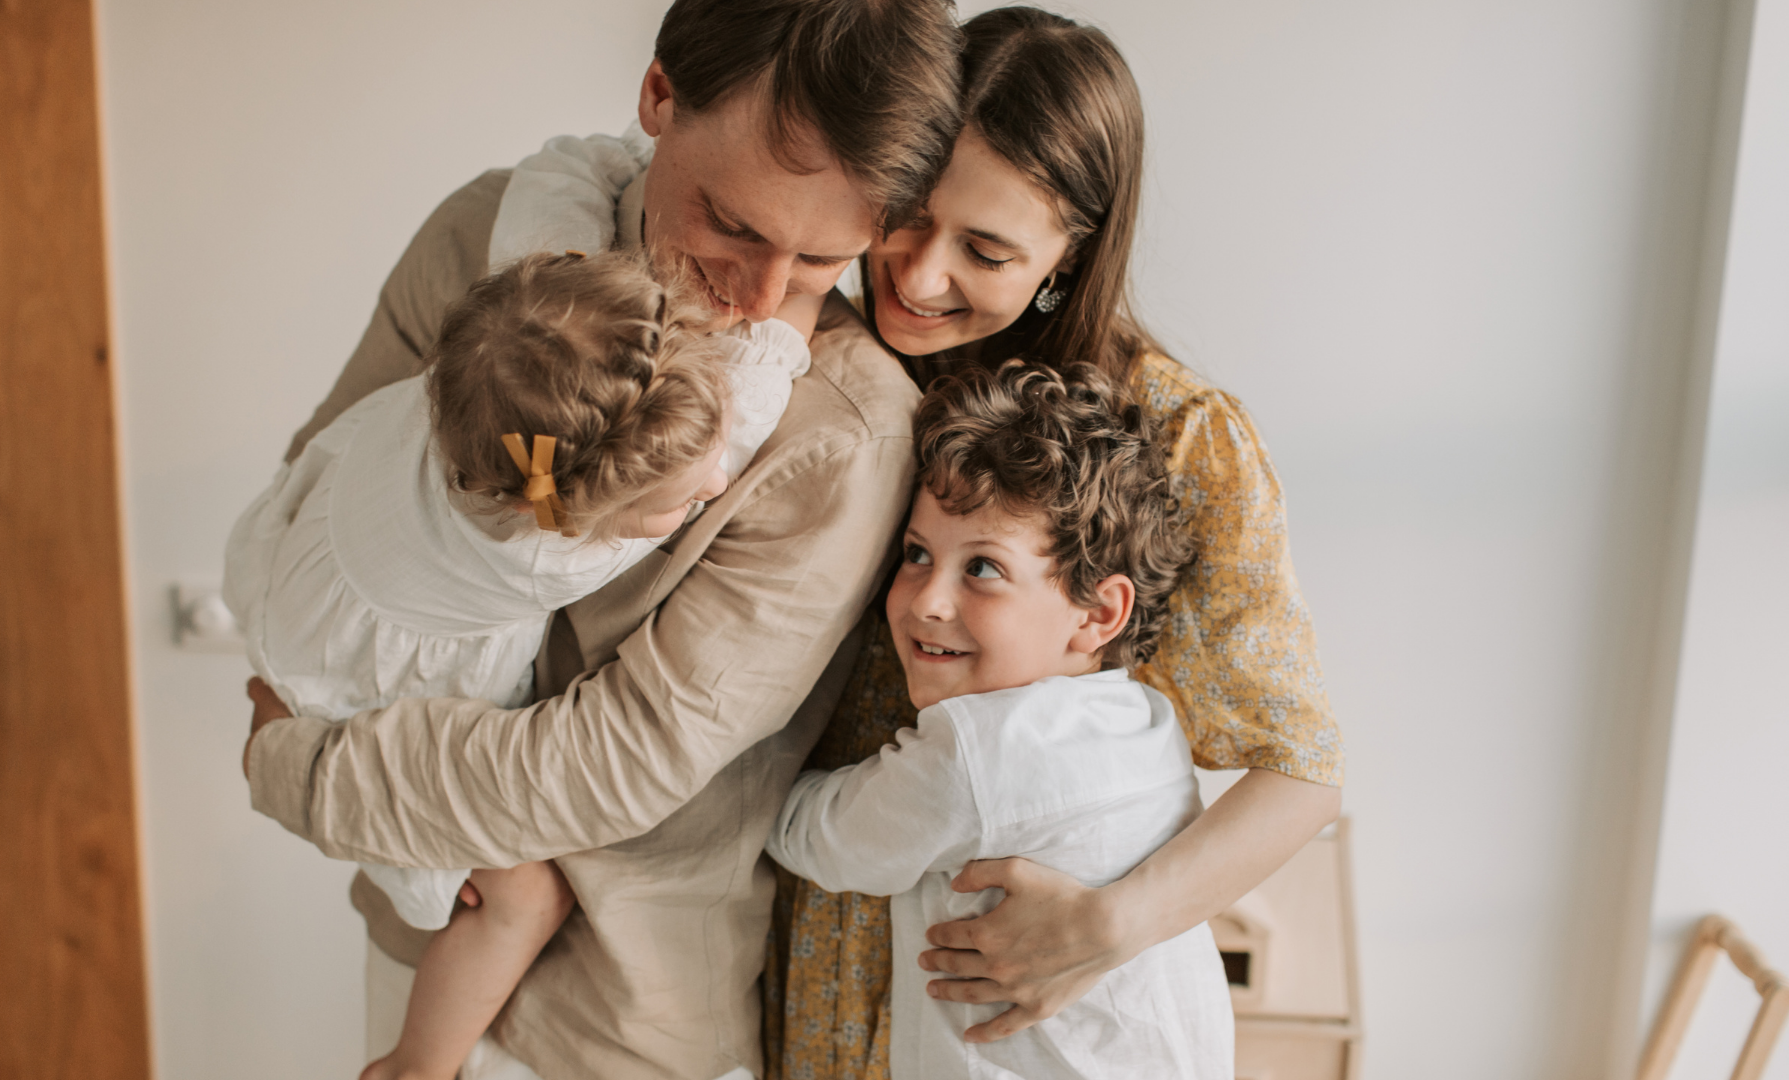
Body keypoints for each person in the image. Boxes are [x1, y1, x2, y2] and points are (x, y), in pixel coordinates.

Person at [241, 1, 963, 1078]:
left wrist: (299, 767)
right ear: (660, 95)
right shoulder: (480, 239)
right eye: (732, 224)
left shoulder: (843, 436)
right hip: (417, 923)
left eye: (821, 261)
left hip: (615, 1021)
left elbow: (624, 757)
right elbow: (331, 483)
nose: (760, 300)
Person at [766, 8, 1343, 1076]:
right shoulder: (811, 362)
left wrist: (1108, 927)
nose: (917, 277)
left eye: (985, 251)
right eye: (907, 217)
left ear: (1069, 257)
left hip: (1012, 995)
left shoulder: (1179, 438)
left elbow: (1301, 776)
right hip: (816, 958)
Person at [225, 248, 820, 1080]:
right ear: (570, 511)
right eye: (683, 502)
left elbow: (551, 200)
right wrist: (808, 296)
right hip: (350, 684)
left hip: (297, 591)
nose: (718, 481)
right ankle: (415, 1066)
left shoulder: (494, 362)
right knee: (524, 893)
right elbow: (757, 397)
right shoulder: (543, 550)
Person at [765, 361, 1233, 1080]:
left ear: (1098, 612)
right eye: (916, 554)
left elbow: (821, 838)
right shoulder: (1147, 721)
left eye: (982, 568)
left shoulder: (980, 750)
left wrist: (748, 769)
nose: (927, 601)